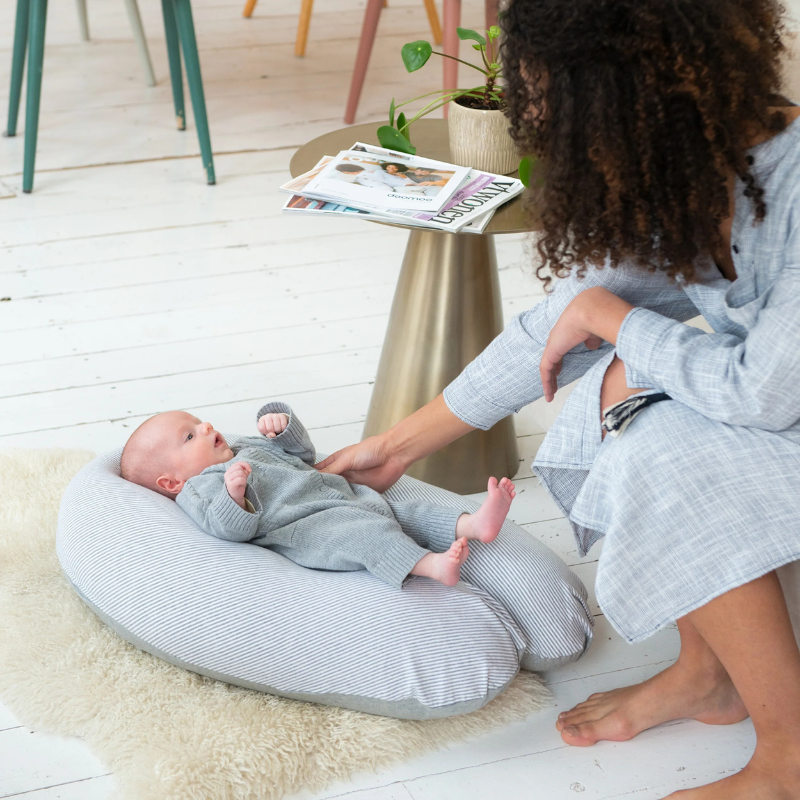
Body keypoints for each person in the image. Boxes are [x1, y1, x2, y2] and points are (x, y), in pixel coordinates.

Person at [315, 0, 800, 796]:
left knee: (654, 421)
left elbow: (760, 393)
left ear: (627, 97)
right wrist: (394, 448)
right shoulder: (692, 170)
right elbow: (554, 328)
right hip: (772, 403)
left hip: (778, 405)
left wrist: (614, 319)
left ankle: (789, 762)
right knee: (623, 395)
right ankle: (708, 676)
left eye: (549, 101)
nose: (531, 117)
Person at [119, 401, 516, 589]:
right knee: (366, 535)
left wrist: (283, 429)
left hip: (340, 494)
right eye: (190, 436)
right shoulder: (200, 489)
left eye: (197, 421)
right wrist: (234, 495)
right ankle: (429, 564)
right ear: (171, 482)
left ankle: (473, 523)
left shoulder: (242, 449)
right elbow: (227, 529)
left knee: (404, 510)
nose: (205, 427)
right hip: (309, 530)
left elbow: (303, 457)